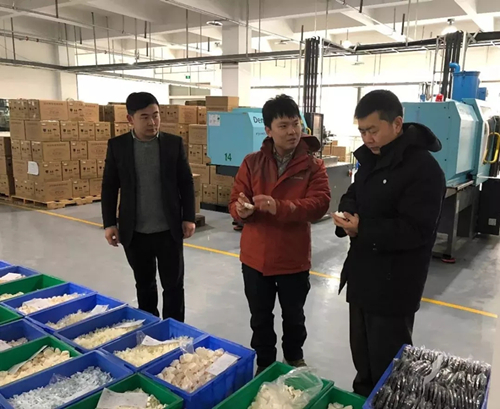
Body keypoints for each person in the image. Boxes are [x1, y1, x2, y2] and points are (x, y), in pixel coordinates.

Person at [332, 90, 446, 397]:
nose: (367, 138)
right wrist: (347, 214)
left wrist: (363, 228)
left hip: (394, 285)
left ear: (396, 124)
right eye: (362, 131)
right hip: (362, 278)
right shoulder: (372, 159)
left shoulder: (424, 169)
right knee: (363, 361)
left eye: (372, 130)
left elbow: (416, 230)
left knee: (390, 367)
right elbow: (353, 193)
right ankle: (362, 398)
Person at [229, 94, 331, 375]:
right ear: (268, 130)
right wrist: (242, 211)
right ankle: (264, 362)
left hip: (292, 258)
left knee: (294, 316)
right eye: (283, 126)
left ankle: (294, 358)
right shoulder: (252, 163)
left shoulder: (313, 166)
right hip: (256, 258)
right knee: (260, 317)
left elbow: (320, 204)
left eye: (296, 124)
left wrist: (279, 206)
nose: (292, 132)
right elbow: (235, 201)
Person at [101, 92, 196, 321]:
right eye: (144, 117)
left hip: (169, 230)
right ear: (130, 119)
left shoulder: (173, 144)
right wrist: (109, 224)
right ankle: (150, 327)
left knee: (173, 287)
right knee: (144, 285)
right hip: (135, 232)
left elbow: (186, 182)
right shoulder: (118, 146)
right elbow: (109, 186)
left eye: (156, 115)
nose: (152, 122)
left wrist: (189, 217)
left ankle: (175, 330)